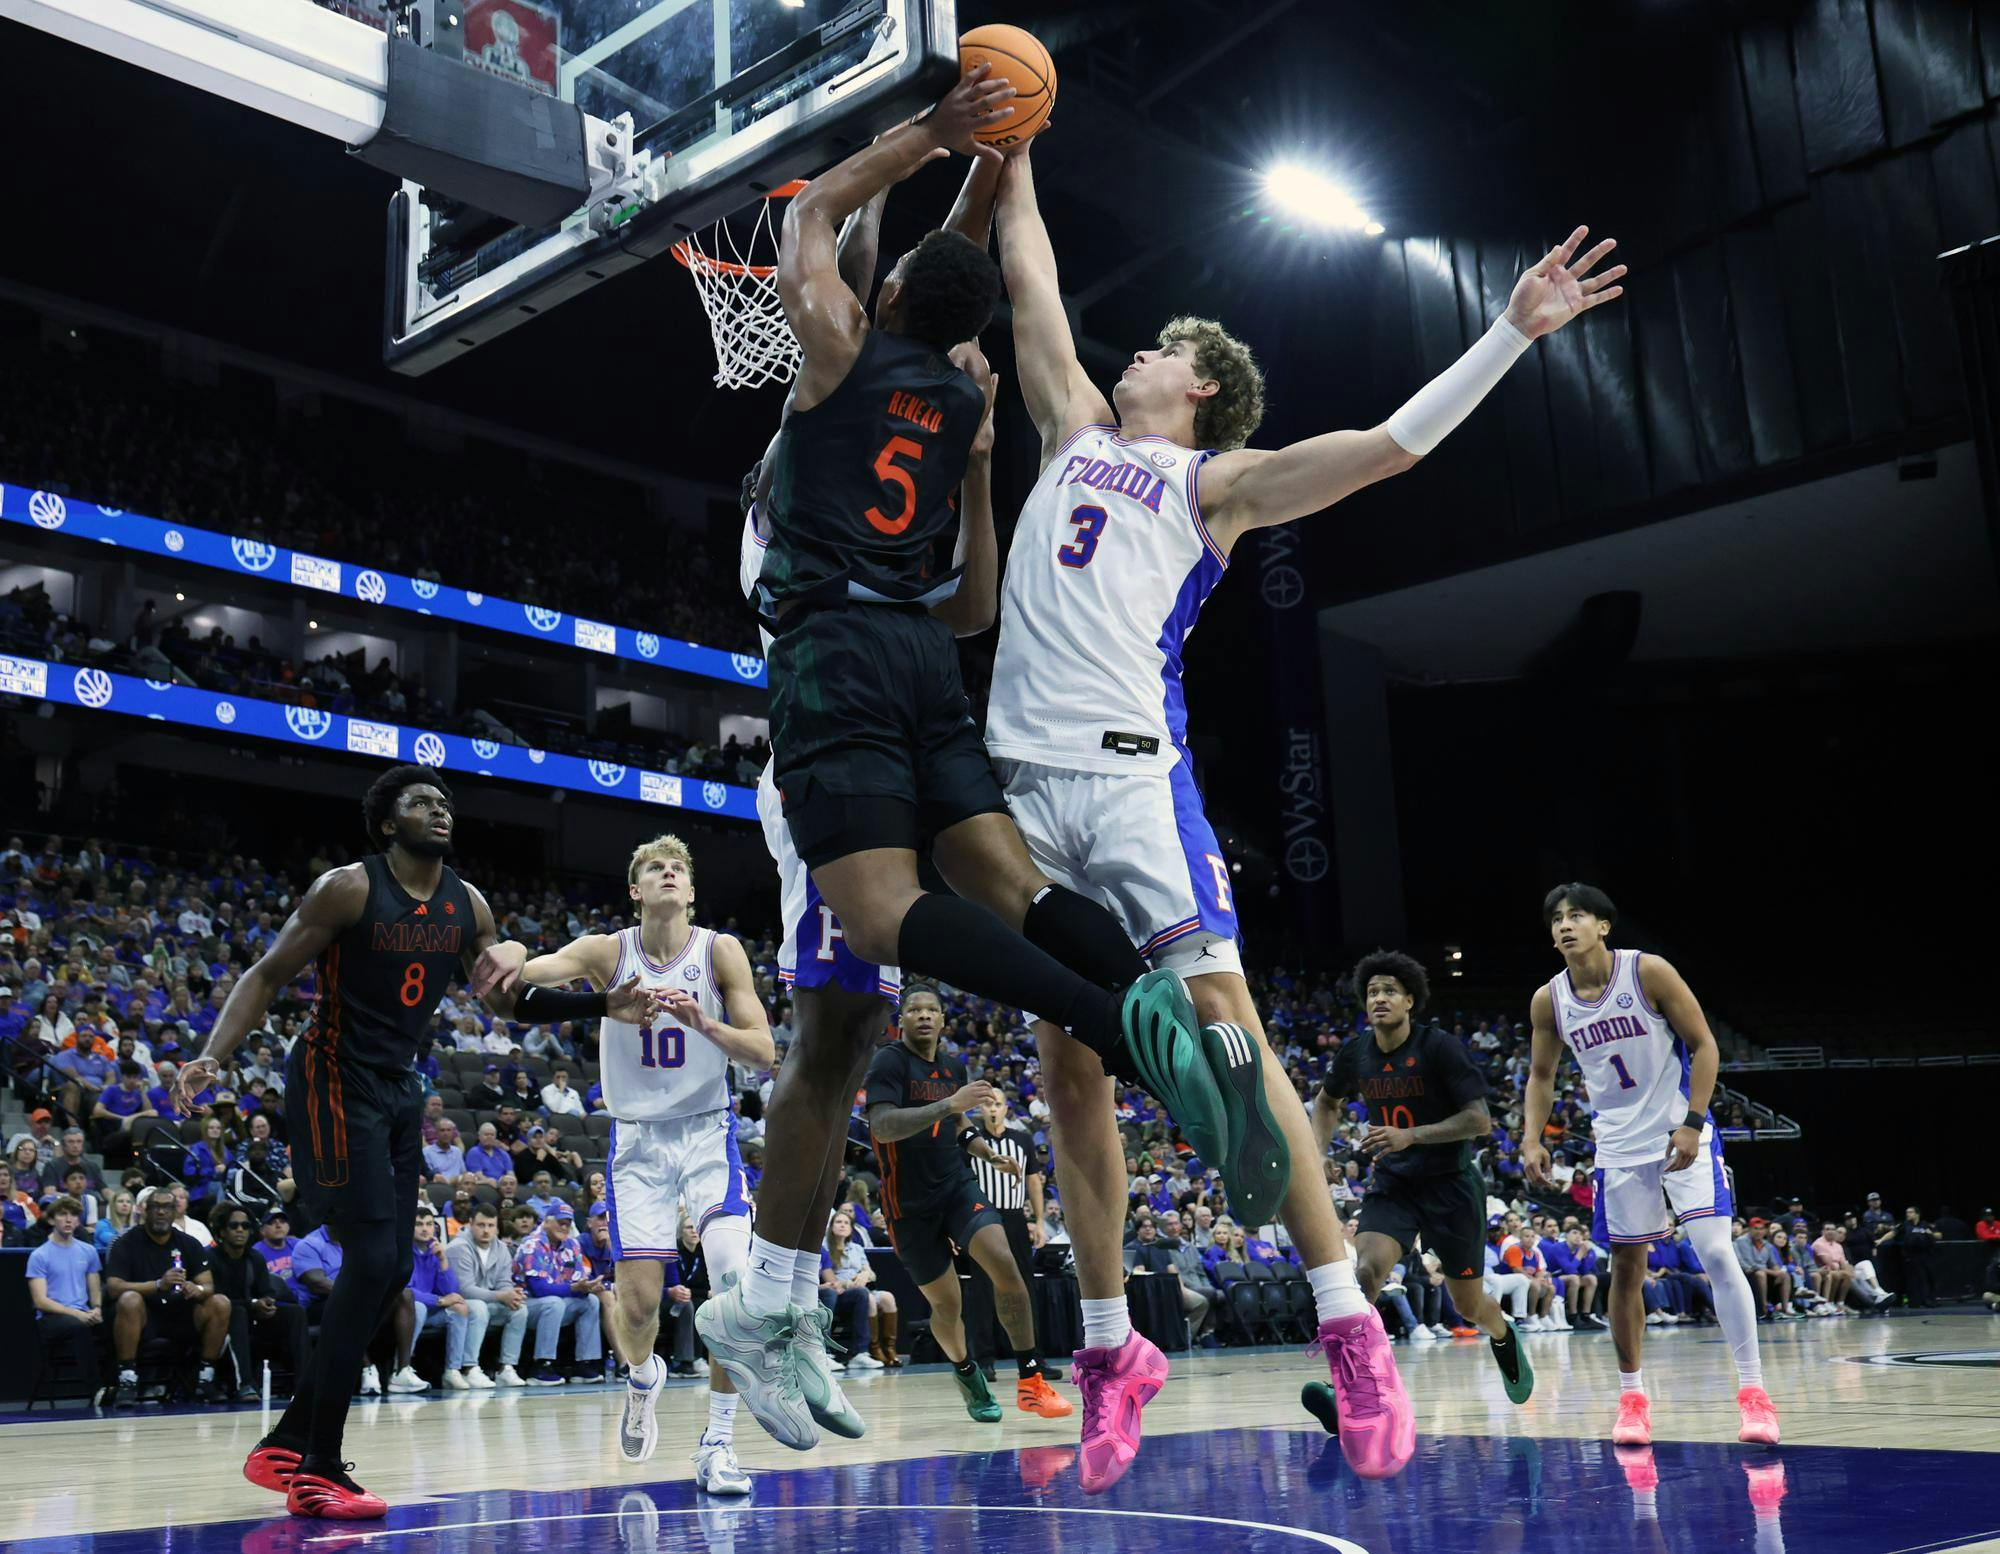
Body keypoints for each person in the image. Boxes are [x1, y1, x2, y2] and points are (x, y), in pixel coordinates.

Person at [989, 121, 1626, 1485]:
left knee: (1230, 1030)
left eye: (1161, 343)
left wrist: (1510, 330)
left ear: (1205, 386)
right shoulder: (1065, 426)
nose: (1134, 350)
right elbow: (1027, 269)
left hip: (1128, 780)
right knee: (1065, 1073)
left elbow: (1390, 447)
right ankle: (1111, 1348)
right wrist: (1019, 140)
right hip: (1023, 798)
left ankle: (1349, 1323)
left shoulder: (1214, 485)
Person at [710, 67, 1244, 1464]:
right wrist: (989, 157)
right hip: (912, 673)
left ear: (880, 310)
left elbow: (823, 222)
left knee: (856, 1002)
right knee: (898, 973)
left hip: (838, 666)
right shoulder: (957, 413)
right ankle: (1131, 1008)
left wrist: (945, 139)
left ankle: (768, 1301)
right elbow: (969, 608)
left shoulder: (832, 354)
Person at [173, 764, 658, 1519]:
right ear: (388, 823)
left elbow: (509, 1001)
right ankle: (318, 1465)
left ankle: (288, 1440)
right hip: (336, 1077)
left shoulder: (469, 905)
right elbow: (267, 975)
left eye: (445, 802)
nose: (439, 810)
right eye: (421, 802)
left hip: (399, 1084)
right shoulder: (349, 887)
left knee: (393, 1264)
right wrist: (213, 1054)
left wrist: (603, 1002)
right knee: (369, 1258)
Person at [474, 834, 768, 1488]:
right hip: (637, 1141)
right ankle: (643, 1377)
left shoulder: (721, 950)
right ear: (635, 890)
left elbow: (762, 1049)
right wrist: (516, 948)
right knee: (638, 1311)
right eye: (654, 869)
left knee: (732, 1279)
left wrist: (706, 1024)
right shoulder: (609, 951)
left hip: (705, 1131)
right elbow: (532, 975)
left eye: (678, 869)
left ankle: (718, 1443)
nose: (668, 873)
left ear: (691, 890)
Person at [1523, 883, 1779, 1448]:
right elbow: (1541, 1077)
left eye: (1578, 916)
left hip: (1677, 1133)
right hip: (1617, 1147)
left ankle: (1754, 1394)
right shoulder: (1549, 1000)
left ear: (1605, 925)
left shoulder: (1647, 973)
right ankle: (1632, 1398)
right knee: (1626, 1271)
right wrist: (1530, 1138)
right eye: (1556, 920)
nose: (1565, 926)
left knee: (1714, 1250)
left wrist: (1692, 1121)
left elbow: (1705, 1045)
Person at [1309, 951, 1529, 1432]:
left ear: (1410, 1000)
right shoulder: (1356, 1053)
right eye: (1372, 992)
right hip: (1394, 1184)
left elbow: (1479, 1120)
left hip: (1451, 1186)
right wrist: (1315, 1151)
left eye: (1389, 990)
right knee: (1364, 1273)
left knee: (1468, 1306)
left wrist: (1413, 1134)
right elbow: (1327, 1102)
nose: (1379, 998)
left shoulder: (1439, 1048)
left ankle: (1502, 1333)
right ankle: (1347, 1385)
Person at [858, 981, 1071, 1425]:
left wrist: (984, 1150)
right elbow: (882, 1127)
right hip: (909, 1205)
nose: (921, 1015)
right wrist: (948, 1105)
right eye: (913, 1009)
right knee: (947, 1306)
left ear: (942, 1020)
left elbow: (959, 1125)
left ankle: (1031, 1380)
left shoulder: (952, 1065)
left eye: (930, 1010)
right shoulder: (889, 1063)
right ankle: (966, 1370)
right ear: (901, 1020)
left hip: (957, 1185)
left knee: (1006, 1265)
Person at [964, 1091, 1062, 1381]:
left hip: (1015, 1218)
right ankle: (984, 1359)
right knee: (982, 1289)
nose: (992, 1109)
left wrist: (1040, 1221)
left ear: (1006, 1108)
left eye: (997, 1103)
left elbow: (1033, 1180)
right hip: (981, 1218)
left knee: (1024, 1287)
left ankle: (1033, 1359)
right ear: (979, 1109)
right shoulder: (969, 1142)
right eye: (987, 1104)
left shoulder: (1022, 1140)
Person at [104, 1186, 231, 1405]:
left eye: (166, 1207)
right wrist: (158, 1285)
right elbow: (114, 1287)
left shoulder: (189, 1243)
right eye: (156, 1207)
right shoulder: (125, 1242)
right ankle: (127, 1380)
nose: (161, 1212)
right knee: (129, 1299)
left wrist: (196, 1289)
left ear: (175, 1212)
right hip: (144, 1318)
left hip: (181, 1314)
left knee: (220, 1302)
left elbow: (208, 1285)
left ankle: (205, 1377)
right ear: (145, 1210)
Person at [208, 1202, 308, 1402]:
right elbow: (218, 1297)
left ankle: (304, 1385)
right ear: (221, 1231)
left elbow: (267, 1291)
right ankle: (245, 1384)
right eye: (234, 1226)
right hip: (222, 1323)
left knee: (295, 1312)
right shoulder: (210, 1257)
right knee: (237, 1312)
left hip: (254, 1317)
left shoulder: (255, 1257)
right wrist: (253, 1304)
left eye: (245, 1226)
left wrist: (267, 1301)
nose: (240, 1230)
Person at [512, 1201, 604, 1382]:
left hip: (558, 1303)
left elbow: (577, 1281)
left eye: (568, 1223)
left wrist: (587, 1287)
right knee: (553, 1303)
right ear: (546, 1222)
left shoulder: (572, 1245)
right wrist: (574, 1288)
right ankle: (541, 1365)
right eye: (560, 1222)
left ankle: (584, 1364)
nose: (564, 1227)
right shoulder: (532, 1244)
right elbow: (539, 1289)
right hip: (526, 1305)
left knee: (591, 1301)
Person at [445, 1201, 527, 1386]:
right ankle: (469, 1368)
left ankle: (506, 1368)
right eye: (481, 1225)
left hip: (488, 1302)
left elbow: (504, 1282)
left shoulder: (501, 1249)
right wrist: (501, 1296)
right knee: (479, 1307)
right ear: (471, 1224)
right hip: (457, 1304)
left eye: (491, 1226)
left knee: (519, 1309)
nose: (486, 1230)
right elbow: (465, 1289)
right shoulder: (459, 1247)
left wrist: (512, 1295)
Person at [27, 1194, 103, 1388]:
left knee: (115, 1322)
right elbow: (40, 1301)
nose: (69, 1219)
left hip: (83, 1312)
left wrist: (97, 1309)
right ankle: (97, 1390)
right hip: (51, 1317)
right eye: (63, 1214)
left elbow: (94, 1288)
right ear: (52, 1219)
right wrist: (77, 1314)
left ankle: (119, 1384)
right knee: (78, 1326)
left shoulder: (88, 1251)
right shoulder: (39, 1255)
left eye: (74, 1215)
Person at [402, 1204, 470, 1391]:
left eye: (429, 1224)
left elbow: (451, 1291)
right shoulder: (402, 1252)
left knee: (460, 1307)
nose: (425, 1228)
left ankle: (452, 1371)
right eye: (419, 1224)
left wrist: (443, 1260)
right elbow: (405, 1293)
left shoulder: (435, 1251)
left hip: (430, 1311)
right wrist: (438, 1301)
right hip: (404, 1312)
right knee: (419, 1307)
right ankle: (403, 1368)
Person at [1544, 1225, 1606, 1328]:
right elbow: (1569, 1269)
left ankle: (1586, 1315)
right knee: (1574, 1278)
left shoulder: (1582, 1249)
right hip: (1553, 1278)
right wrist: (1581, 1254)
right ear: (1566, 1235)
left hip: (1571, 1277)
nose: (1578, 1236)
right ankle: (1573, 1316)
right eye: (1574, 1233)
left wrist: (1586, 1255)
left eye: (1581, 1234)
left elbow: (1584, 1271)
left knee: (1591, 1279)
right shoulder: (1558, 1247)